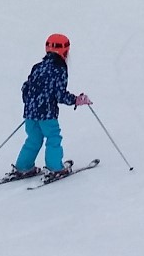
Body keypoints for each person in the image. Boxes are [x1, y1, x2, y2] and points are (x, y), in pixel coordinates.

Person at [10, 33, 91, 179]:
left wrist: (32, 106)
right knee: (53, 137)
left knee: (33, 139)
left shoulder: (37, 67)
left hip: (30, 112)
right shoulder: (60, 70)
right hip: (47, 113)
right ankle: (55, 168)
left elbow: (27, 88)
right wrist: (76, 100)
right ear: (65, 51)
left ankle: (23, 167)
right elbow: (59, 94)